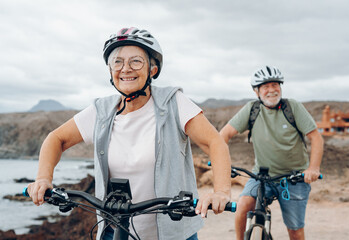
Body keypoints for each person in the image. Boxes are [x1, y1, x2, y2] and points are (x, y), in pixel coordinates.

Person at [27, 27, 232, 240]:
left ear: (153, 69)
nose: (125, 68)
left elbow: (214, 143)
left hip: (173, 231)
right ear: (110, 71)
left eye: (136, 61)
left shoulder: (173, 103)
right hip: (114, 229)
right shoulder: (101, 111)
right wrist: (43, 178)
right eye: (117, 62)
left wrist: (221, 192)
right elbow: (56, 138)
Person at [220, 65, 323, 240]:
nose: (271, 90)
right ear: (257, 92)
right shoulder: (252, 109)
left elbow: (316, 138)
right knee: (243, 206)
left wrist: (313, 168)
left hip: (294, 178)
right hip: (262, 176)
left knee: (295, 230)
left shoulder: (293, 108)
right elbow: (223, 135)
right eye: (266, 86)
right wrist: (222, 164)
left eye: (275, 85)